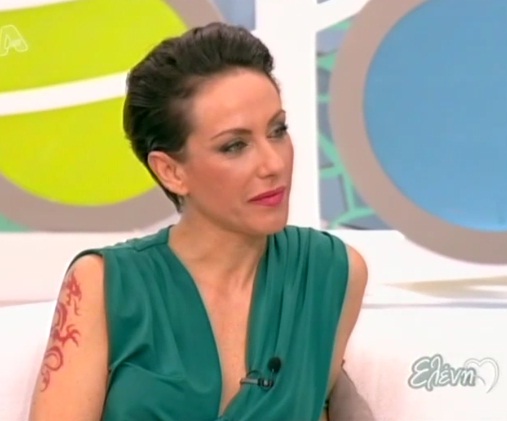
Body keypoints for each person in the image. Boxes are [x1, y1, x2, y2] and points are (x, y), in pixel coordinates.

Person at [29, 22, 369, 421]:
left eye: (277, 131)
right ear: (171, 171)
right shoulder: (102, 284)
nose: (273, 164)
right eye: (235, 145)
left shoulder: (333, 273)